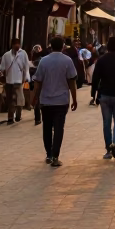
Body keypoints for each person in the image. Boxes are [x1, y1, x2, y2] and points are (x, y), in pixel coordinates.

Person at [31, 36, 78, 167]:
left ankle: (49, 154)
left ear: (50, 46)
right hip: (62, 100)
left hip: (46, 101)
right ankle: (56, 156)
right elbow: (72, 81)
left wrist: (34, 98)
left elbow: (38, 82)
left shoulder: (44, 61)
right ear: (63, 46)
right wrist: (74, 99)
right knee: (58, 128)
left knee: (47, 127)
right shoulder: (67, 60)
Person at [0, 37, 30, 125]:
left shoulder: (23, 54)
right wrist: (1, 74)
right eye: (15, 44)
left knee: (20, 100)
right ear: (12, 45)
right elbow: (2, 68)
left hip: (19, 81)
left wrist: (26, 78)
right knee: (10, 100)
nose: (17, 46)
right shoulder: (6, 55)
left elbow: (26, 67)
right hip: (9, 81)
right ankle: (10, 118)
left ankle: (18, 115)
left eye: (18, 44)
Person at [29, 45, 43, 124]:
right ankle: (38, 118)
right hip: (38, 82)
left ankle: (37, 118)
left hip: (35, 82)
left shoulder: (35, 61)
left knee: (36, 100)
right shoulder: (42, 60)